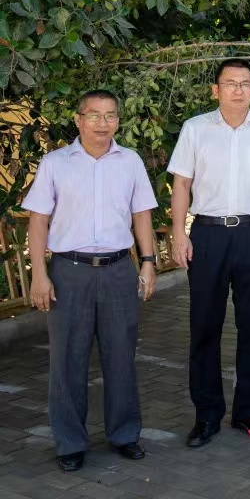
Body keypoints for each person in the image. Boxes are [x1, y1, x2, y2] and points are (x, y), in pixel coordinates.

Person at [23, 90, 158, 472]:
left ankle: (124, 434)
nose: (103, 122)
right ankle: (70, 442)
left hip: (118, 270)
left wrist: (148, 263)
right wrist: (39, 275)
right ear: (78, 119)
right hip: (69, 272)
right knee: (68, 360)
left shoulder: (130, 161)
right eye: (94, 115)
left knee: (121, 356)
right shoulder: (55, 163)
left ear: (118, 120)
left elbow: (142, 215)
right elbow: (38, 220)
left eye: (110, 115)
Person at [167, 59, 250, 448]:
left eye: (245, 83)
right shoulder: (195, 129)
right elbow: (181, 184)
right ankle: (206, 415)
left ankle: (248, 411)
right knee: (205, 325)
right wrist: (179, 233)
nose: (238, 89)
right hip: (208, 235)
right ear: (216, 90)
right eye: (230, 83)